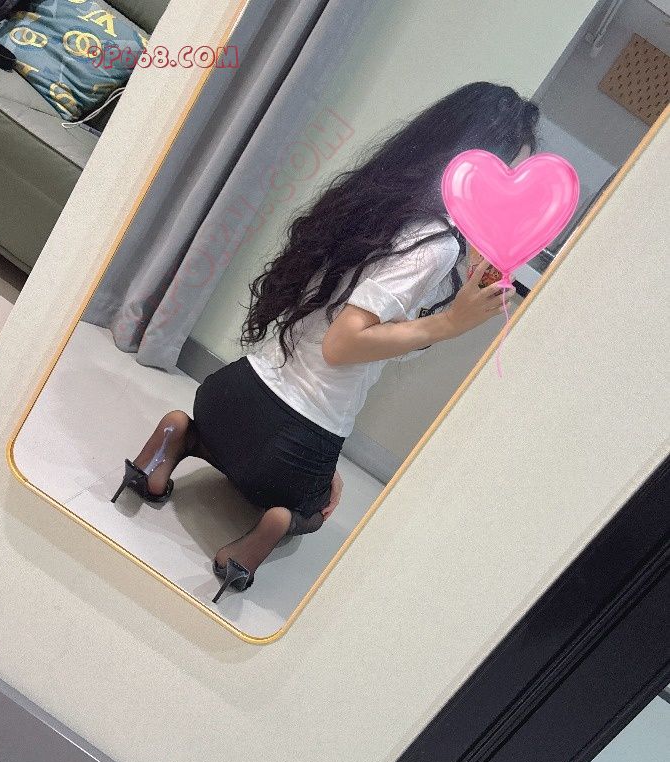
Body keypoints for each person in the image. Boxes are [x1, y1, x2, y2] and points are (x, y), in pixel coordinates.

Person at [111, 81, 539, 603]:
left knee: (256, 450)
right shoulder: (436, 244)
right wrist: (448, 323)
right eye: (506, 175)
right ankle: (267, 530)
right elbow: (342, 344)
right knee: (318, 506)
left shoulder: (378, 202)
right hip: (289, 442)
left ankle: (179, 437)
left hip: (228, 393)